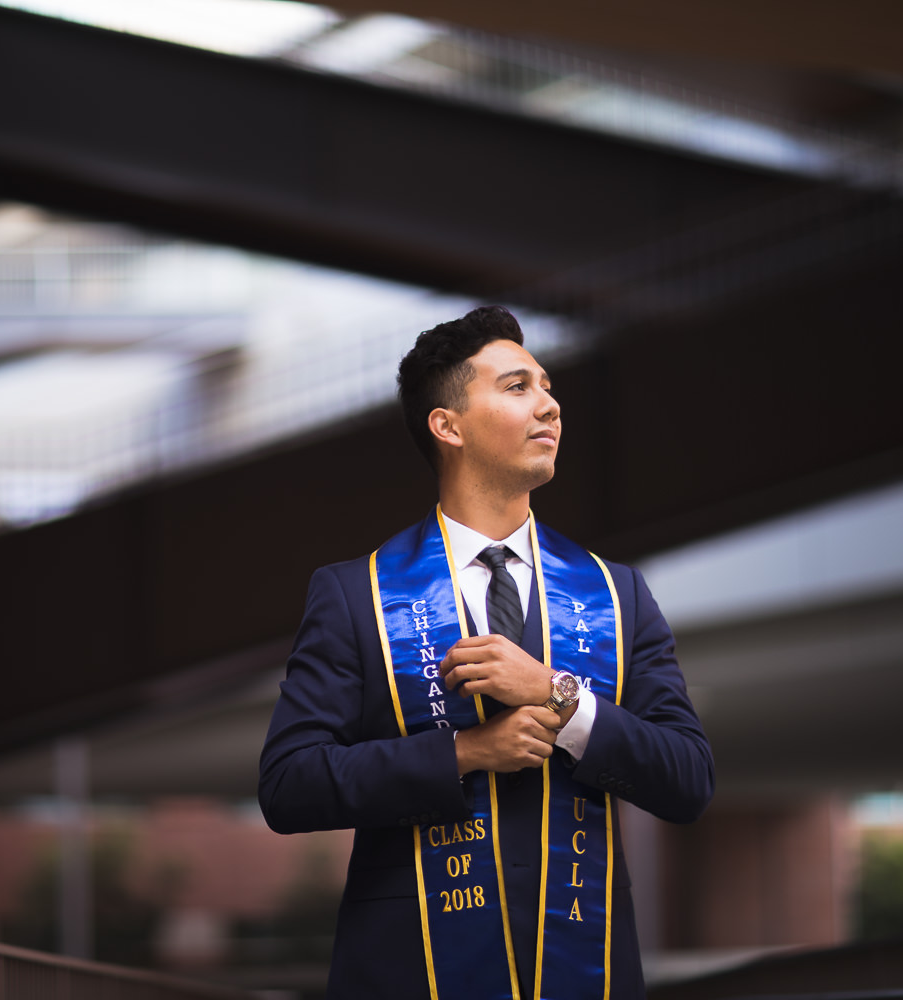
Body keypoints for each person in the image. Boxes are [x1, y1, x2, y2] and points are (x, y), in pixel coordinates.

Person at [258, 305, 713, 999]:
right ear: (449, 426)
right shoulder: (357, 595)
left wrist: (557, 696)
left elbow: (688, 780)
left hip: (584, 972)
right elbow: (289, 785)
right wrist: (466, 754)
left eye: (548, 387)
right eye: (517, 387)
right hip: (414, 974)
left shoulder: (616, 595)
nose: (551, 406)